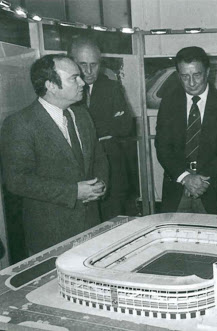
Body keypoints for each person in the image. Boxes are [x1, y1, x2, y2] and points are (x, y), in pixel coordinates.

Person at [0, 54, 108, 255]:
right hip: (51, 234)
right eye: (73, 78)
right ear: (51, 85)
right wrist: (73, 192)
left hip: (92, 226)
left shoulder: (82, 115)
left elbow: (99, 157)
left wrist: (101, 183)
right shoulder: (20, 124)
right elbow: (16, 181)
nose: (82, 82)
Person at [155, 46, 217, 215]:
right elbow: (162, 147)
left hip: (213, 188)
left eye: (197, 75)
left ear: (208, 72)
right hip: (177, 187)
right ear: (178, 75)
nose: (191, 83)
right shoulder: (168, 103)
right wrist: (185, 178)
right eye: (185, 76)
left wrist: (200, 181)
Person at [68, 37, 134, 221]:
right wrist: (103, 129)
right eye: (82, 65)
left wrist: (88, 129)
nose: (88, 71)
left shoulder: (112, 87)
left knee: (113, 224)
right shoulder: (65, 91)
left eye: (94, 65)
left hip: (112, 171)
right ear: (71, 62)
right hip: (78, 175)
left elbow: (125, 125)